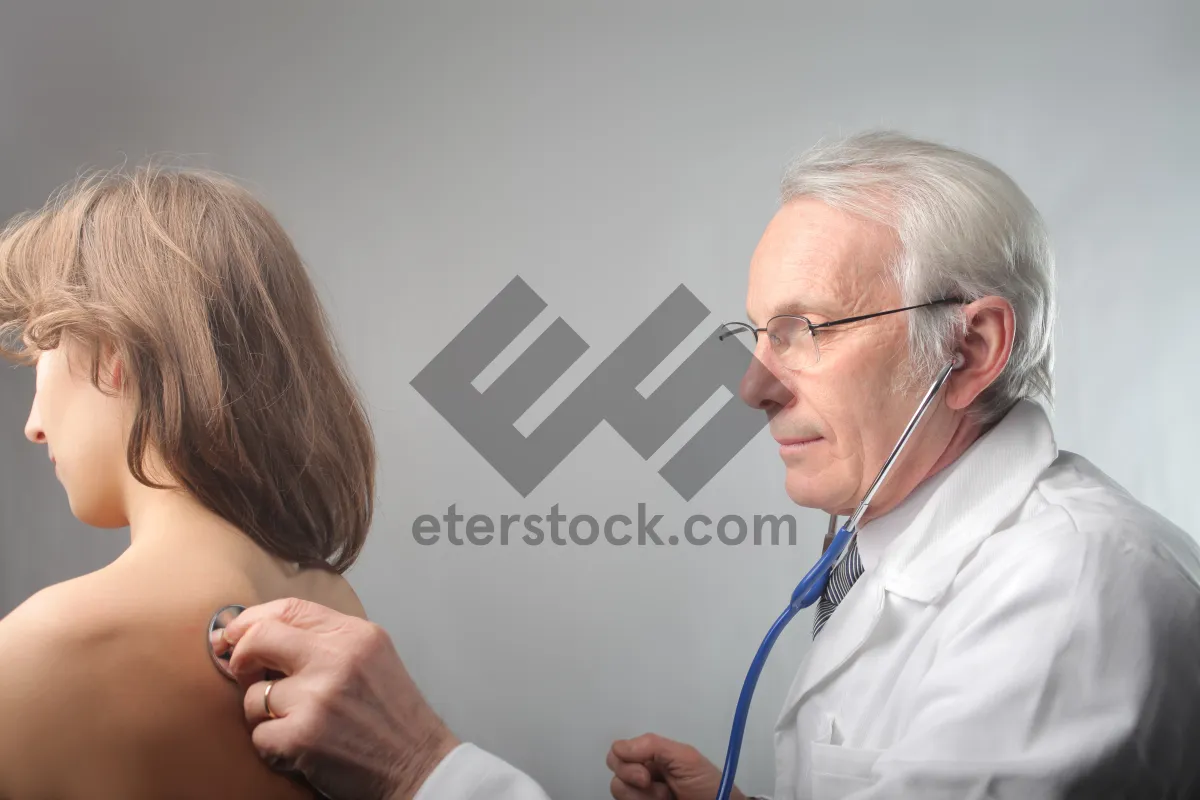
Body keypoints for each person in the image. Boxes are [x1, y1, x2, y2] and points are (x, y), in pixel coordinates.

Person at [222, 130, 1200, 800]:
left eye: (807, 330)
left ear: (973, 348)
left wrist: (417, 768)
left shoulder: (1077, 591)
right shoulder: (895, 539)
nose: (753, 386)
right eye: (757, 333)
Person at [0, 165, 378, 798]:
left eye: (44, 353)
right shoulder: (336, 609)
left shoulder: (36, 651)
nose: (34, 427)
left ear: (112, 352)